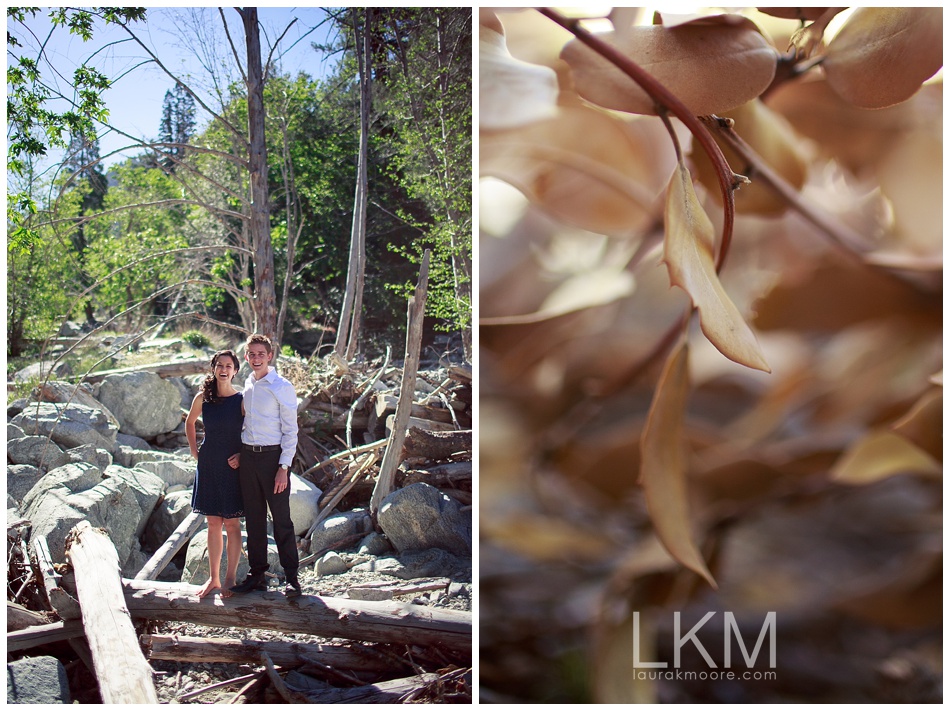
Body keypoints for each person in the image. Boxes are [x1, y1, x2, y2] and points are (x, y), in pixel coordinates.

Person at [229, 334, 302, 597]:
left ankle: (292, 577)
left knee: (282, 520)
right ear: (246, 357)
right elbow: (247, 425)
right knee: (254, 519)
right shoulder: (247, 384)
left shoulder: (281, 386)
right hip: (249, 459)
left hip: (274, 461)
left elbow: (291, 431)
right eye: (251, 354)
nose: (256, 358)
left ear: (269, 356)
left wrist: (284, 467)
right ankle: (257, 574)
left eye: (261, 353)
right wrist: (241, 452)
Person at [185, 349, 245, 599]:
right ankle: (214, 578)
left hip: (233, 466)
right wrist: (194, 451)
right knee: (212, 523)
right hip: (209, 464)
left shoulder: (242, 399)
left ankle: (230, 578)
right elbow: (189, 422)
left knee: (232, 524)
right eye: (219, 365)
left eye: (228, 365)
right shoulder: (203, 398)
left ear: (235, 370)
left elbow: (253, 431)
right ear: (213, 368)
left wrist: (243, 455)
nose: (223, 369)